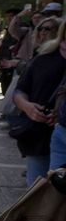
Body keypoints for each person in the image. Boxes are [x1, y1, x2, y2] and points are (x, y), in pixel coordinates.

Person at [9, 19, 66, 184]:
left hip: (60, 127)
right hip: (40, 133)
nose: (43, 32)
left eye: (48, 29)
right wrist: (28, 107)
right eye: (41, 28)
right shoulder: (44, 58)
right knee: (39, 189)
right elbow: (19, 92)